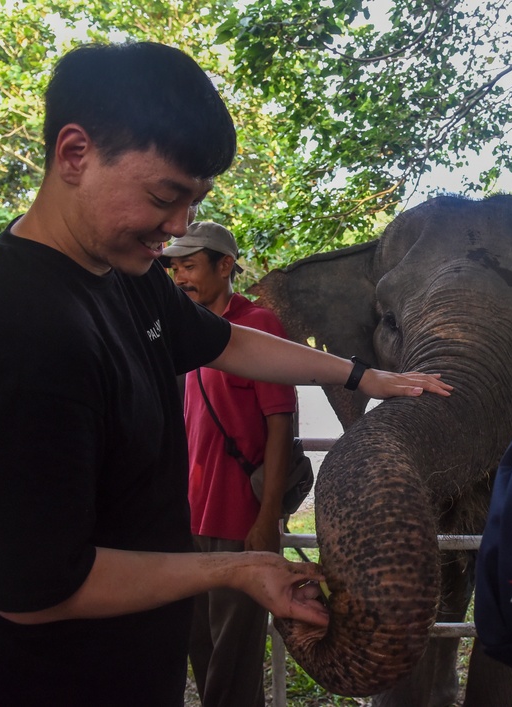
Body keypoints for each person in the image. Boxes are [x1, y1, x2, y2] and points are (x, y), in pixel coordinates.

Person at [0, 41, 450, 707]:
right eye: (164, 196)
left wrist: (365, 377)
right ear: (75, 154)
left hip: (137, 669)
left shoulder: (124, 272)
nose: (176, 230)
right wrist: (235, 566)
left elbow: (227, 341)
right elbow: (37, 594)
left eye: (195, 202)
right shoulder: (18, 337)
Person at [163, 220, 296, 707]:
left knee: (233, 661)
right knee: (198, 644)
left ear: (225, 266)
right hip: (190, 518)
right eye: (175, 268)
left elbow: (282, 425)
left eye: (191, 267)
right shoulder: (187, 332)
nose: (180, 278)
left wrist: (267, 520)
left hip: (240, 522)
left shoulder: (259, 325)